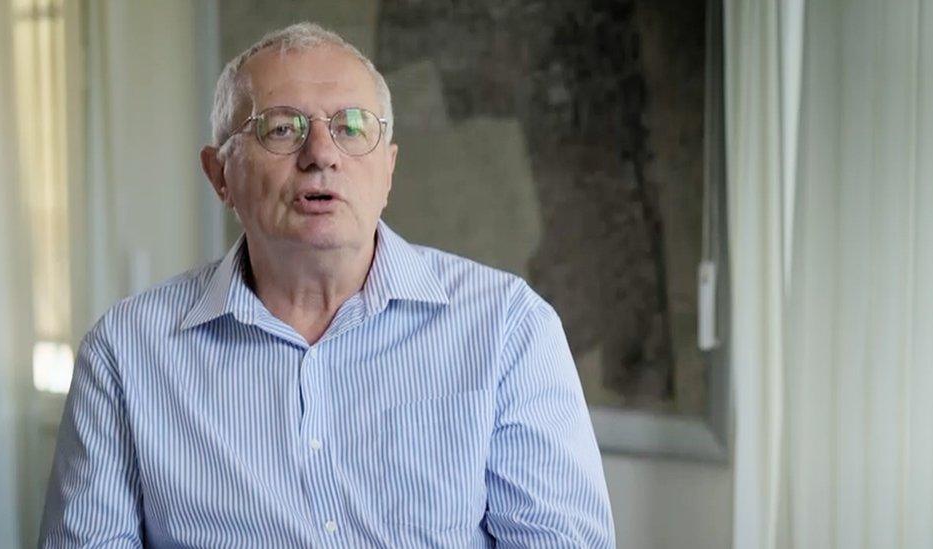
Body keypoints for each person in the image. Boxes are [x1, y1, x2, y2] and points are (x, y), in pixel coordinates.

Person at [39, 21, 615, 548]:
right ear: (220, 175)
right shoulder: (126, 351)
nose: (321, 156)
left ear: (387, 168)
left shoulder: (507, 327)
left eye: (351, 126)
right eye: (282, 128)